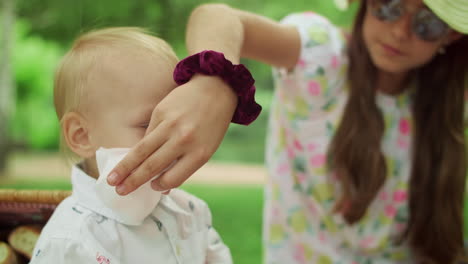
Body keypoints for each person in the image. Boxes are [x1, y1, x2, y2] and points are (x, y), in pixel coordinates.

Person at [105, 0, 468, 263]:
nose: (400, 30)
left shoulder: (447, 101)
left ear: (450, 36)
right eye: (388, 6)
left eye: (427, 23)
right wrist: (213, 82)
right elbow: (217, 16)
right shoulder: (322, 55)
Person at [29, 27, 232, 264]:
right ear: (82, 135)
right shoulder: (72, 241)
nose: (169, 135)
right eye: (147, 123)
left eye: (173, 121)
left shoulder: (189, 210)